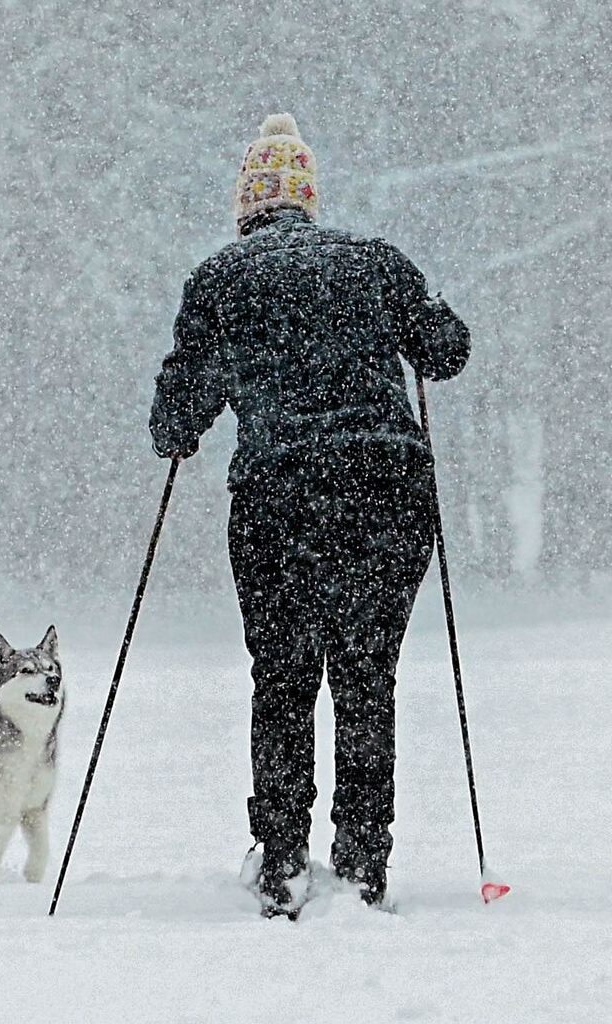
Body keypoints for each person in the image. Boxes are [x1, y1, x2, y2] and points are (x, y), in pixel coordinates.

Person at [148, 113, 469, 917]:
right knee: (366, 676)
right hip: (386, 489)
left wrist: (195, 410)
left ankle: (285, 858)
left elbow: (173, 424)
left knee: (283, 678)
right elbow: (448, 350)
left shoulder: (220, 280)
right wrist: (425, 314)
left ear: (247, 207)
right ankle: (363, 858)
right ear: (309, 202)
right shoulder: (374, 263)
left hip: (279, 496)